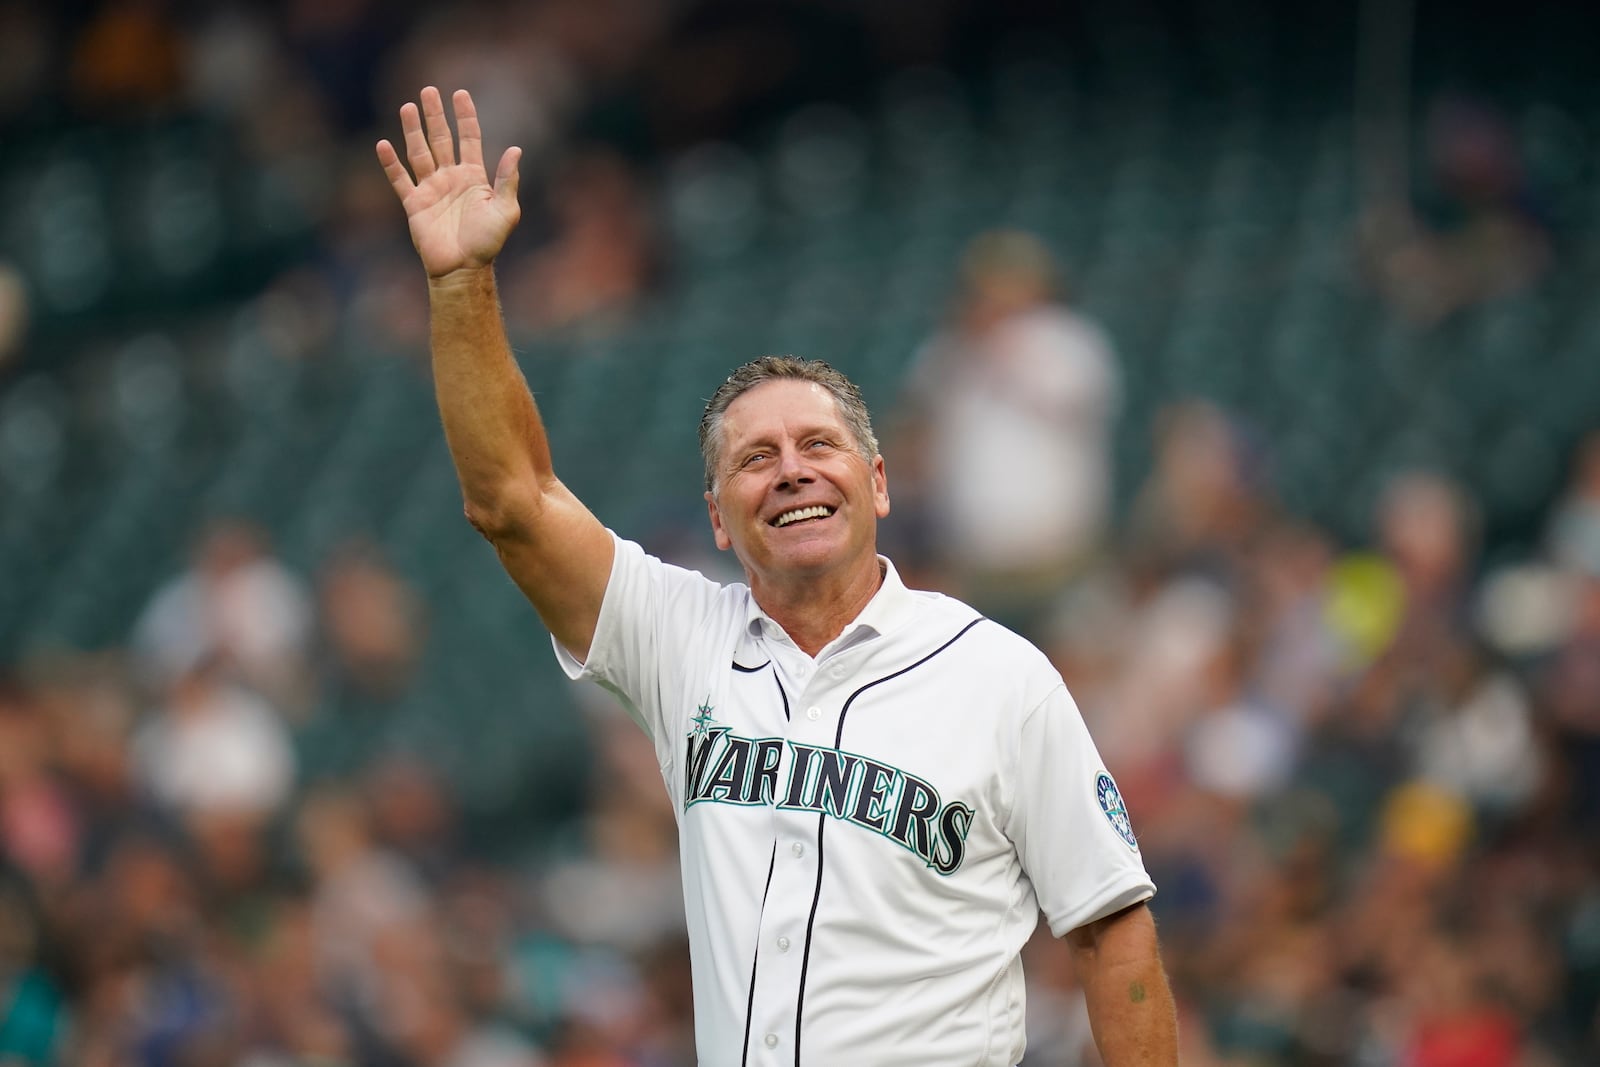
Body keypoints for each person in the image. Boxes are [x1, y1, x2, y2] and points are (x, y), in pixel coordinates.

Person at [376, 86, 1177, 1066]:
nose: (791, 467)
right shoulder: (682, 641)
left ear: (877, 483)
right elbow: (511, 502)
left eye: (819, 444)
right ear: (716, 515)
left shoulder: (998, 677)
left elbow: (1110, 928)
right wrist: (462, 284)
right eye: (754, 457)